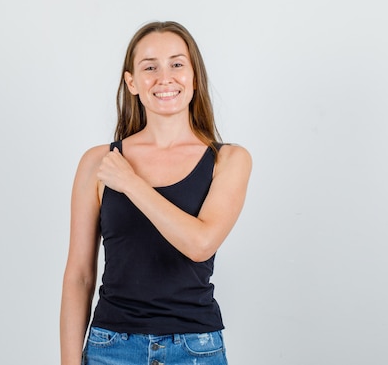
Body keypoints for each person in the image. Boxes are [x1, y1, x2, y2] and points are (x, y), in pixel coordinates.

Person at [60, 21, 252, 365]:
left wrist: (132, 183)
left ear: (194, 77)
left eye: (177, 64)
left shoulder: (229, 160)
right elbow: (79, 276)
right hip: (110, 349)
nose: (165, 77)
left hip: (196, 349)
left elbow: (200, 244)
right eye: (150, 67)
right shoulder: (97, 162)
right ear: (131, 81)